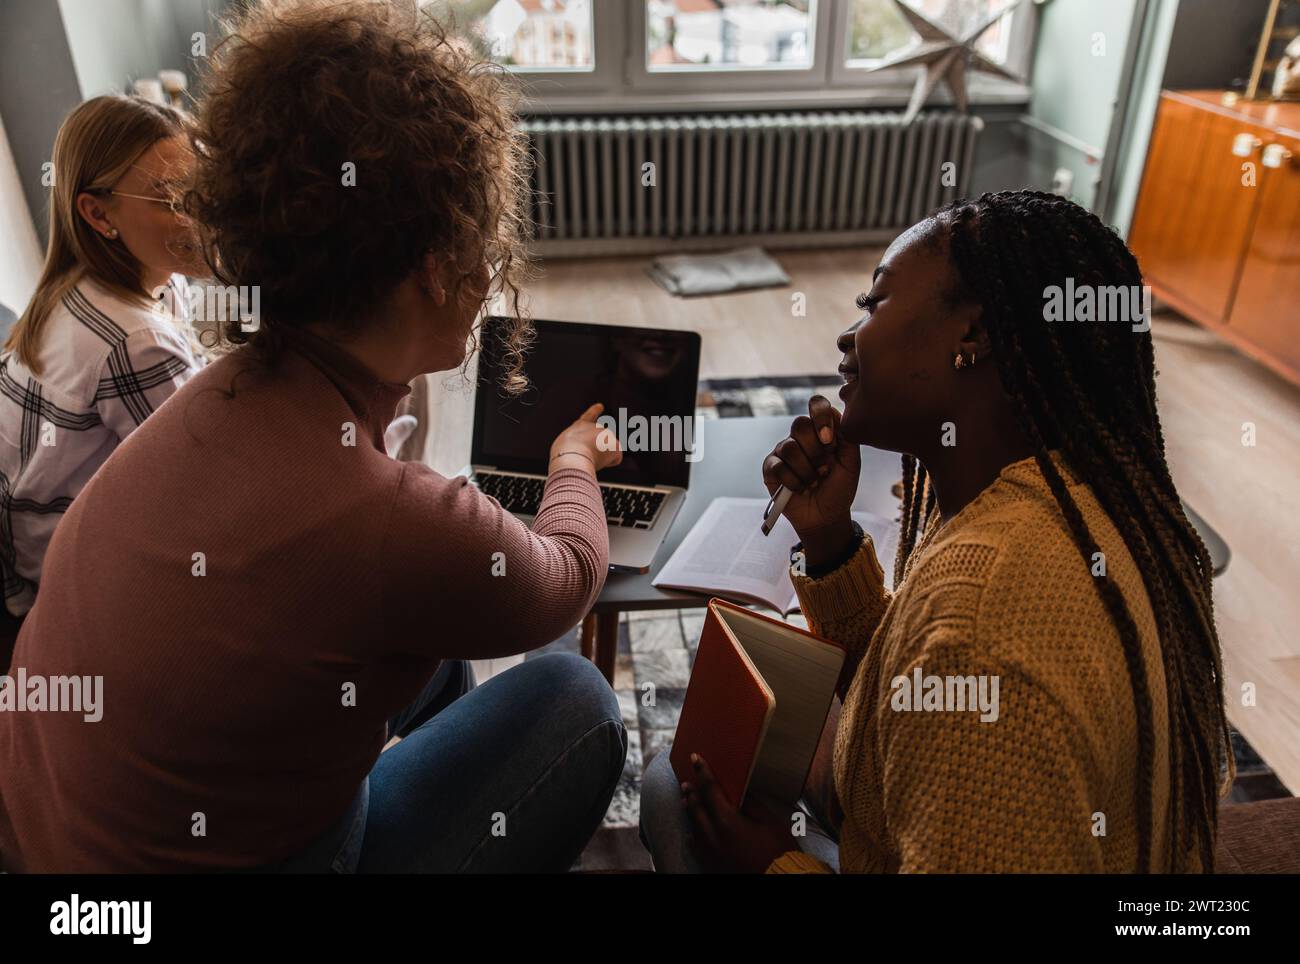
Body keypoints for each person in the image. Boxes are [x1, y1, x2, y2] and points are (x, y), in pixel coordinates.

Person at [0, 0, 625, 873]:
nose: (489, 270)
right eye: (478, 242)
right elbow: (567, 578)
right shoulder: (389, 516)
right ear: (436, 270)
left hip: (55, 840)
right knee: (578, 699)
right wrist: (572, 460)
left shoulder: (213, 390)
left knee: (437, 652)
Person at [641, 190, 1232, 873]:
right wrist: (831, 545)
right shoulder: (1087, 495)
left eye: (875, 303)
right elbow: (912, 692)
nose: (847, 336)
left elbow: (954, 668)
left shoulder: (983, 626)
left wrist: (772, 864)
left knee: (668, 786)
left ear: (973, 336)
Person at [0, 96, 205, 659]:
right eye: (171, 200)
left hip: (30, 555)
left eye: (200, 188)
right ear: (98, 214)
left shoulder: (82, 289)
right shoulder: (134, 341)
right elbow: (208, 489)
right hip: (63, 590)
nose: (200, 214)